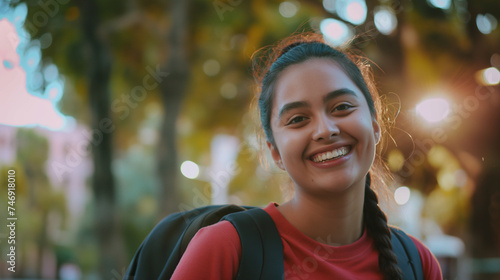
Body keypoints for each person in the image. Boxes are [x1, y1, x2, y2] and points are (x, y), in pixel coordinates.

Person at [171, 33, 443, 279]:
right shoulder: (226, 248)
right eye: (298, 119)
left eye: (342, 107)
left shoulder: (417, 263)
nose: (325, 130)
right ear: (274, 151)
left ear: (374, 124)